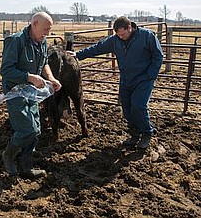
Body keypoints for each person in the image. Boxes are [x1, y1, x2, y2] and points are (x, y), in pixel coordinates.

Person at [68, 16, 163, 149]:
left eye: (123, 34)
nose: (121, 37)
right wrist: (78, 55)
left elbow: (158, 55)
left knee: (138, 106)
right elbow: (98, 48)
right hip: (126, 79)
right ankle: (134, 134)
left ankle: (147, 133)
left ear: (129, 28)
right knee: (127, 108)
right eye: (118, 35)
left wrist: (151, 75)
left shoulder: (147, 36)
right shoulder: (115, 40)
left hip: (143, 79)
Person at [0, 12, 62, 178]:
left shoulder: (42, 41)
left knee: (36, 130)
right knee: (27, 129)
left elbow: (44, 63)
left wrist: (51, 78)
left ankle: (26, 167)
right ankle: (8, 156)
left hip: (32, 92)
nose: (47, 33)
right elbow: (6, 71)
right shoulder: (15, 41)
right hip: (16, 92)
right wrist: (30, 77)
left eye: (49, 30)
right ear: (34, 24)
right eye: (45, 29)